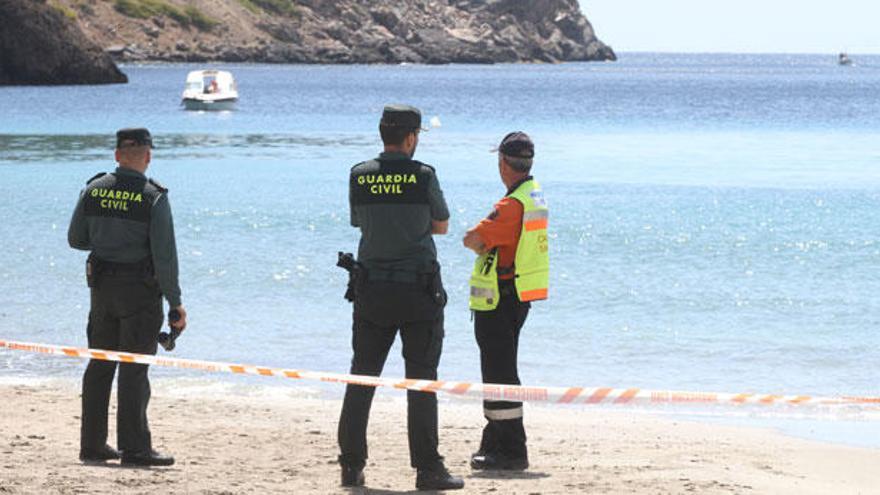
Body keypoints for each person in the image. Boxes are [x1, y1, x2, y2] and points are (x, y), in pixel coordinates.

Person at [337, 105, 464, 491]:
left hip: (372, 290)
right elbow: (441, 225)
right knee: (422, 381)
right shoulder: (423, 175)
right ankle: (427, 468)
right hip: (417, 292)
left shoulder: (360, 174)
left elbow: (359, 221)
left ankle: (351, 465)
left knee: (362, 377)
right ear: (410, 138)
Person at [68, 128, 186, 466]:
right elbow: (165, 257)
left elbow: (76, 239)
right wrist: (175, 303)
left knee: (100, 365)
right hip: (140, 293)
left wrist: (109, 239)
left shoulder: (94, 189)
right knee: (134, 369)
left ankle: (92, 445)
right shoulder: (154, 197)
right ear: (148, 156)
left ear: (117, 155)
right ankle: (135, 449)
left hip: (102, 290)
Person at [462, 131, 549, 471]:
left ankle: (512, 449)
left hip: (500, 298)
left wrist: (483, 243)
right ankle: (496, 440)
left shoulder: (511, 205)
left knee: (499, 373)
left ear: (502, 164)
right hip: (517, 294)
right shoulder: (533, 194)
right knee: (502, 370)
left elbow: (472, 238)